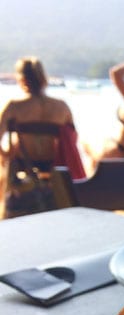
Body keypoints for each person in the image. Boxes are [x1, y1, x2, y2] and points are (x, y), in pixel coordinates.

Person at [0, 57, 77, 218]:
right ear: (43, 78)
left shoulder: (14, 107)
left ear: (21, 79)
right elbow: (72, 139)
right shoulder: (61, 107)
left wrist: (6, 154)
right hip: (53, 169)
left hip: (23, 169)